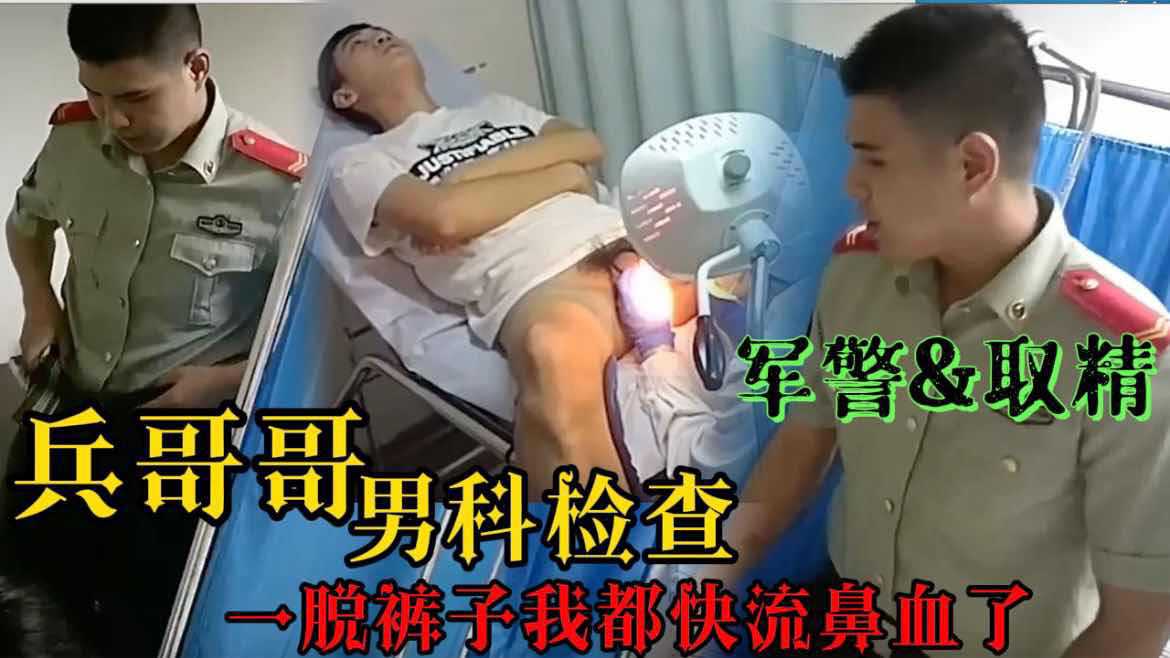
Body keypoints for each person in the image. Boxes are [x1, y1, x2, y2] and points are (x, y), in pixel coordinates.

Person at [696, 6, 1170, 658]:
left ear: (972, 164)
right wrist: (713, 568)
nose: (851, 185)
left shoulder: (1122, 352)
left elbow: (1136, 625)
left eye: (875, 162)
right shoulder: (859, 275)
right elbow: (808, 434)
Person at [3, 5, 305, 656]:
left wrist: (223, 383)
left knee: (156, 607)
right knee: (31, 576)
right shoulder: (73, 140)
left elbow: (314, 327)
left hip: (184, 425)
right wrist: (39, 303)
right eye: (96, 94)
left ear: (196, 67)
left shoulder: (277, 185)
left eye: (136, 98)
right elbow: (25, 223)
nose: (114, 119)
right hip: (72, 394)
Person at [319, 24, 697, 496]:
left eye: (383, 33)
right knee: (551, 353)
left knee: (750, 271)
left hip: (627, 241)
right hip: (543, 283)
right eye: (360, 44)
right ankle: (611, 536)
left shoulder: (497, 109)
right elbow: (445, 219)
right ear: (345, 96)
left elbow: (585, 145)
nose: (380, 39)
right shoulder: (359, 163)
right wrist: (563, 176)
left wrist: (465, 179)